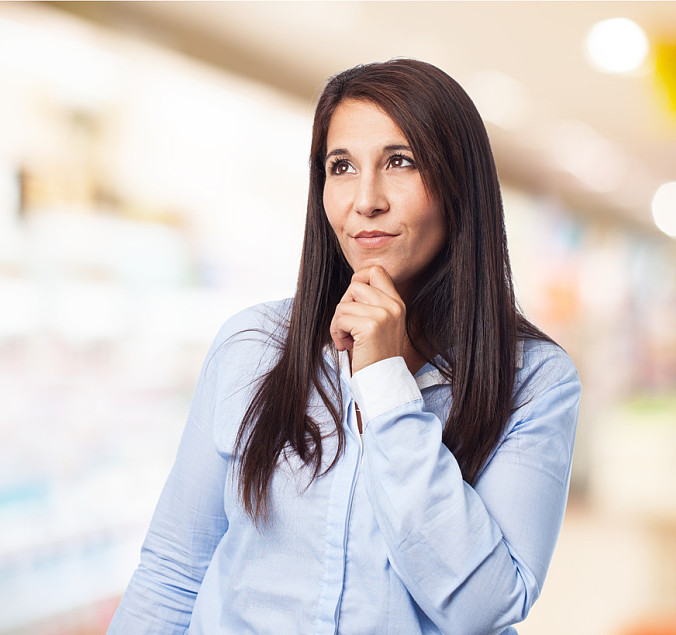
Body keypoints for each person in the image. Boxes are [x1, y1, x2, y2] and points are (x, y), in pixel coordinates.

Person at [109, 59, 581, 634]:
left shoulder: (532, 380)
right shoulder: (253, 348)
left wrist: (384, 382)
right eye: (342, 167)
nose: (366, 200)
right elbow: (172, 574)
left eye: (400, 162)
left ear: (461, 183)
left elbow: (481, 609)